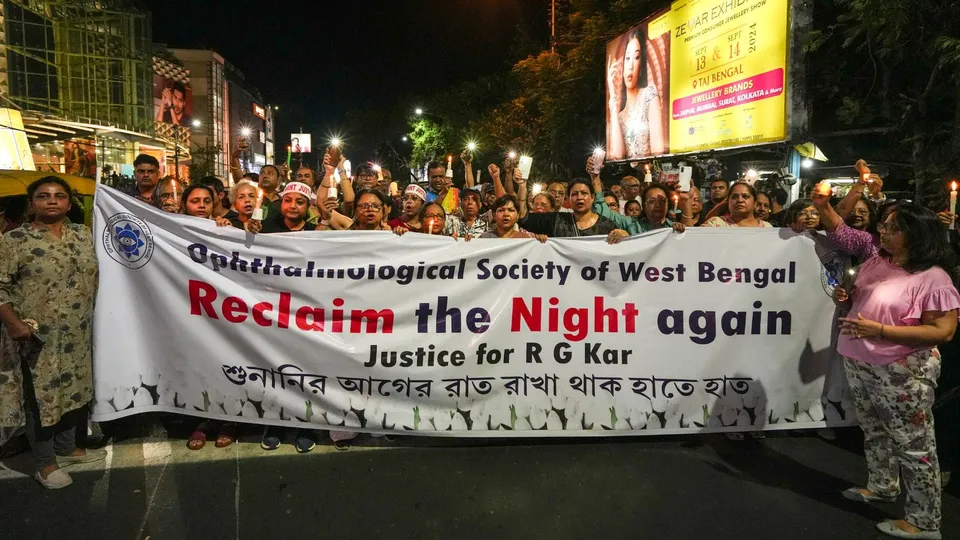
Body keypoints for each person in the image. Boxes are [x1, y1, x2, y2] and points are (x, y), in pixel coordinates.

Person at [824, 196, 958, 540]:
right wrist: (846, 298)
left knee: (914, 445)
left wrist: (881, 331)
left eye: (893, 228)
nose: (883, 232)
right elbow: (860, 297)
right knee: (874, 430)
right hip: (859, 360)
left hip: (900, 371)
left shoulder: (934, 278)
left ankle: (924, 521)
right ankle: (882, 485)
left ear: (918, 234)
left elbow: (943, 330)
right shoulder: (876, 262)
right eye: (883, 225)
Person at [0, 176, 105, 489]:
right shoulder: (14, 240)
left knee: (74, 390)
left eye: (59, 196)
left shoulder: (82, 234)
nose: (52, 201)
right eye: (43, 196)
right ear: (32, 203)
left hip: (77, 332)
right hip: (35, 336)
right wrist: (14, 324)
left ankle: (66, 447)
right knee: (41, 398)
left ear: (69, 204)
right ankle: (44, 463)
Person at [607, 28, 664, 158]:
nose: (631, 65)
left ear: (642, 63)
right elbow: (617, 155)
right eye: (627, 58)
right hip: (628, 177)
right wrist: (611, 93)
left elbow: (659, 151)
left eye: (636, 57)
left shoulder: (649, 94)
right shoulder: (619, 116)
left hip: (652, 176)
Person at [519, 178, 628, 243]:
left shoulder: (607, 225)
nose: (579, 197)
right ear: (568, 199)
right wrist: (522, 186)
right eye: (574, 194)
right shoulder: (556, 220)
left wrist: (625, 236)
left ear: (592, 197)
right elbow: (523, 219)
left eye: (584, 193)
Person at [246, 182, 314, 234]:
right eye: (287, 200)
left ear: (308, 206)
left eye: (299, 202)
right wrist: (251, 230)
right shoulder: (266, 227)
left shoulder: (314, 232)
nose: (292, 206)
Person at [697, 182, 773, 228]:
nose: (740, 200)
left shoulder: (767, 228)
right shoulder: (716, 224)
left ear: (755, 202)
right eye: (734, 197)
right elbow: (694, 241)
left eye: (745, 196)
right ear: (728, 202)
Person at [480, 195, 546, 241]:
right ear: (494, 215)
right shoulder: (484, 238)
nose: (506, 214)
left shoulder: (527, 239)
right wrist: (470, 242)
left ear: (517, 215)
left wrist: (542, 240)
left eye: (511, 210)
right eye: (501, 210)